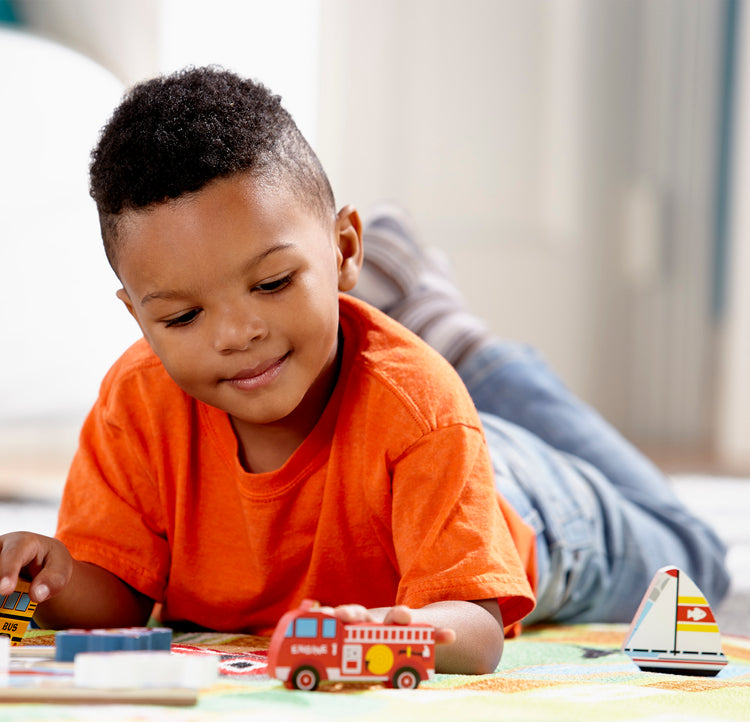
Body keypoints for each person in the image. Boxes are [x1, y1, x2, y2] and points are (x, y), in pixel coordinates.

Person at [0, 67, 729, 675]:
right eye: (183, 318)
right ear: (136, 317)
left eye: (273, 283)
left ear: (344, 247)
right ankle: (435, 322)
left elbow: (475, 631)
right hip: (408, 443)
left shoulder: (420, 408)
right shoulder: (136, 404)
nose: (238, 334)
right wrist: (47, 582)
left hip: (530, 505)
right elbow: (120, 599)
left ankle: (470, 350)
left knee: (699, 559)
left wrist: (397, 631)